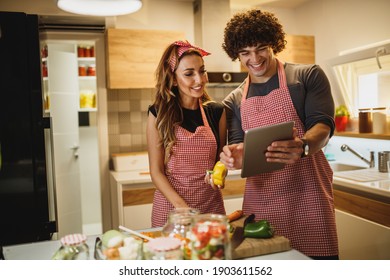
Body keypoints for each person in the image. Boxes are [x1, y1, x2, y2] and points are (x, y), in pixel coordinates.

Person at [219, 9, 338, 259]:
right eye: (244, 53)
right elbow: (239, 145)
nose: (254, 58)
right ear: (236, 55)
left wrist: (304, 145)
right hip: (262, 201)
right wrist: (235, 157)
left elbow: (323, 125)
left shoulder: (307, 76)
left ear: (274, 43)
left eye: (261, 48)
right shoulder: (235, 100)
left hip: (310, 197)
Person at [147, 40, 227, 227]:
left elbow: (219, 161)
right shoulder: (158, 114)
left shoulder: (217, 112)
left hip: (210, 208)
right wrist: (182, 209)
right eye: (189, 74)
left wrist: (219, 173)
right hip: (171, 210)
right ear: (173, 78)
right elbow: (156, 172)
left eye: (202, 71)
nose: (199, 80)